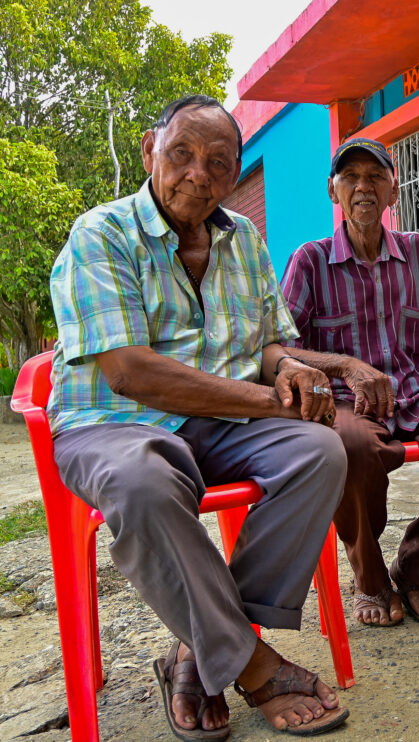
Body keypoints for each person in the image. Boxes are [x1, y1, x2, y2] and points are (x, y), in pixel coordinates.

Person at [49, 95, 351, 738]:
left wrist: (289, 369)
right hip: (112, 421)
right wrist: (270, 398)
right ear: (148, 149)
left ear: (234, 173)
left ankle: (198, 650)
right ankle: (254, 664)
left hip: (218, 420)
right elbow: (130, 373)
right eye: (181, 153)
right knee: (142, 485)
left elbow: (267, 342)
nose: (199, 174)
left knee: (319, 452)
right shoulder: (100, 233)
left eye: (218, 162)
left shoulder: (244, 240)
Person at [280, 137, 419, 627]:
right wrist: (345, 366)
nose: (363, 187)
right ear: (332, 190)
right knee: (348, 446)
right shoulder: (310, 261)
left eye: (375, 177)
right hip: (347, 401)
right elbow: (280, 347)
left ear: (393, 191)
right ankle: (370, 578)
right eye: (351, 178)